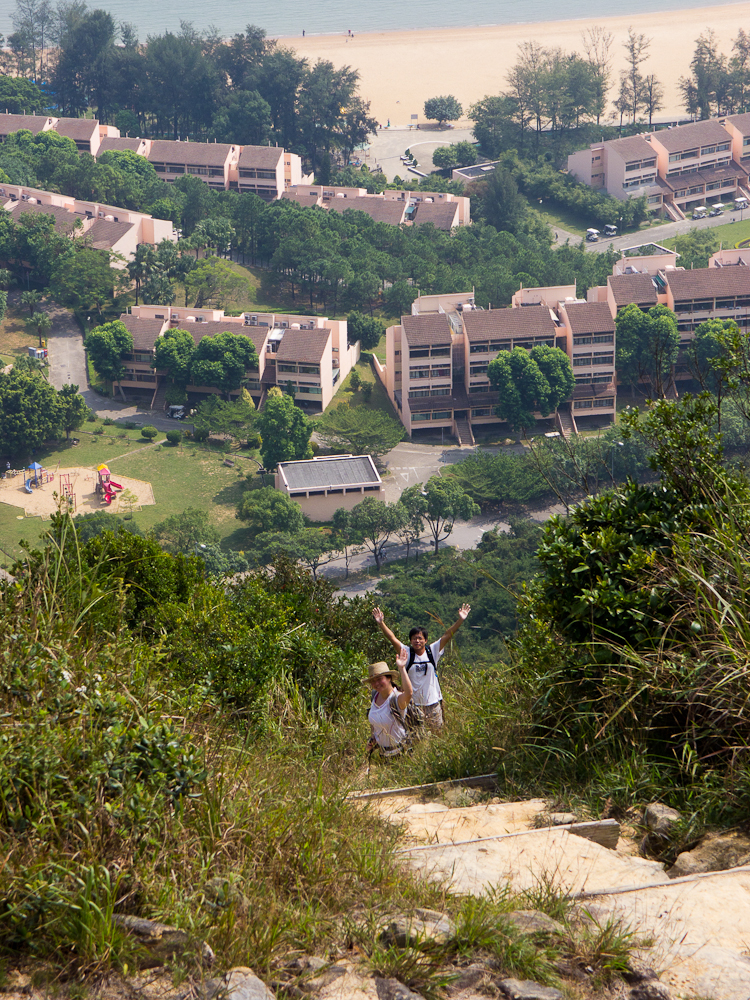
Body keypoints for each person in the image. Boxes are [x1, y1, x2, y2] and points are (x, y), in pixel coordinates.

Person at [372, 604, 471, 731]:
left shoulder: (432, 651)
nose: (417, 641)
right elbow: (392, 638)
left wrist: (460, 619)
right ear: (410, 641)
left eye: (420, 638)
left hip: (433, 703)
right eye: (414, 639)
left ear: (426, 640)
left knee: (437, 734)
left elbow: (447, 635)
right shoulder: (407, 653)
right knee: (416, 736)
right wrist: (381, 623)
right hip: (413, 704)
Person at [364, 648, 412, 759]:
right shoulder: (375, 696)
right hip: (382, 755)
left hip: (400, 755)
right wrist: (373, 738)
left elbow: (409, 693)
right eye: (373, 681)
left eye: (379, 679)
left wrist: (402, 668)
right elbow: (375, 723)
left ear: (389, 678)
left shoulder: (396, 698)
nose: (376, 683)